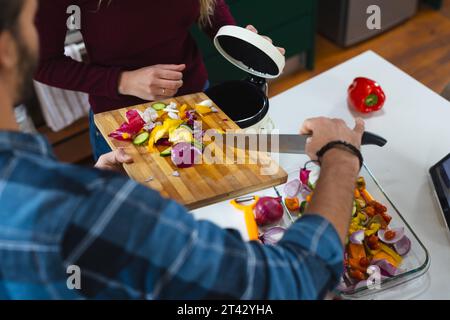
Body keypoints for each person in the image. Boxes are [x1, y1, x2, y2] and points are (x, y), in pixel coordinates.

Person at [0, 0, 365, 300]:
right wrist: (342, 155)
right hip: (121, 113)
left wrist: (236, 36)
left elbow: (210, 5)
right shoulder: (100, 210)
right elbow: (291, 282)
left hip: (195, 95)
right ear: (8, 50)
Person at [33, 0, 285, 160]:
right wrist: (123, 81)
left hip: (195, 101)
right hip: (123, 118)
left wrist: (238, 40)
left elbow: (210, 5)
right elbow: (42, 64)